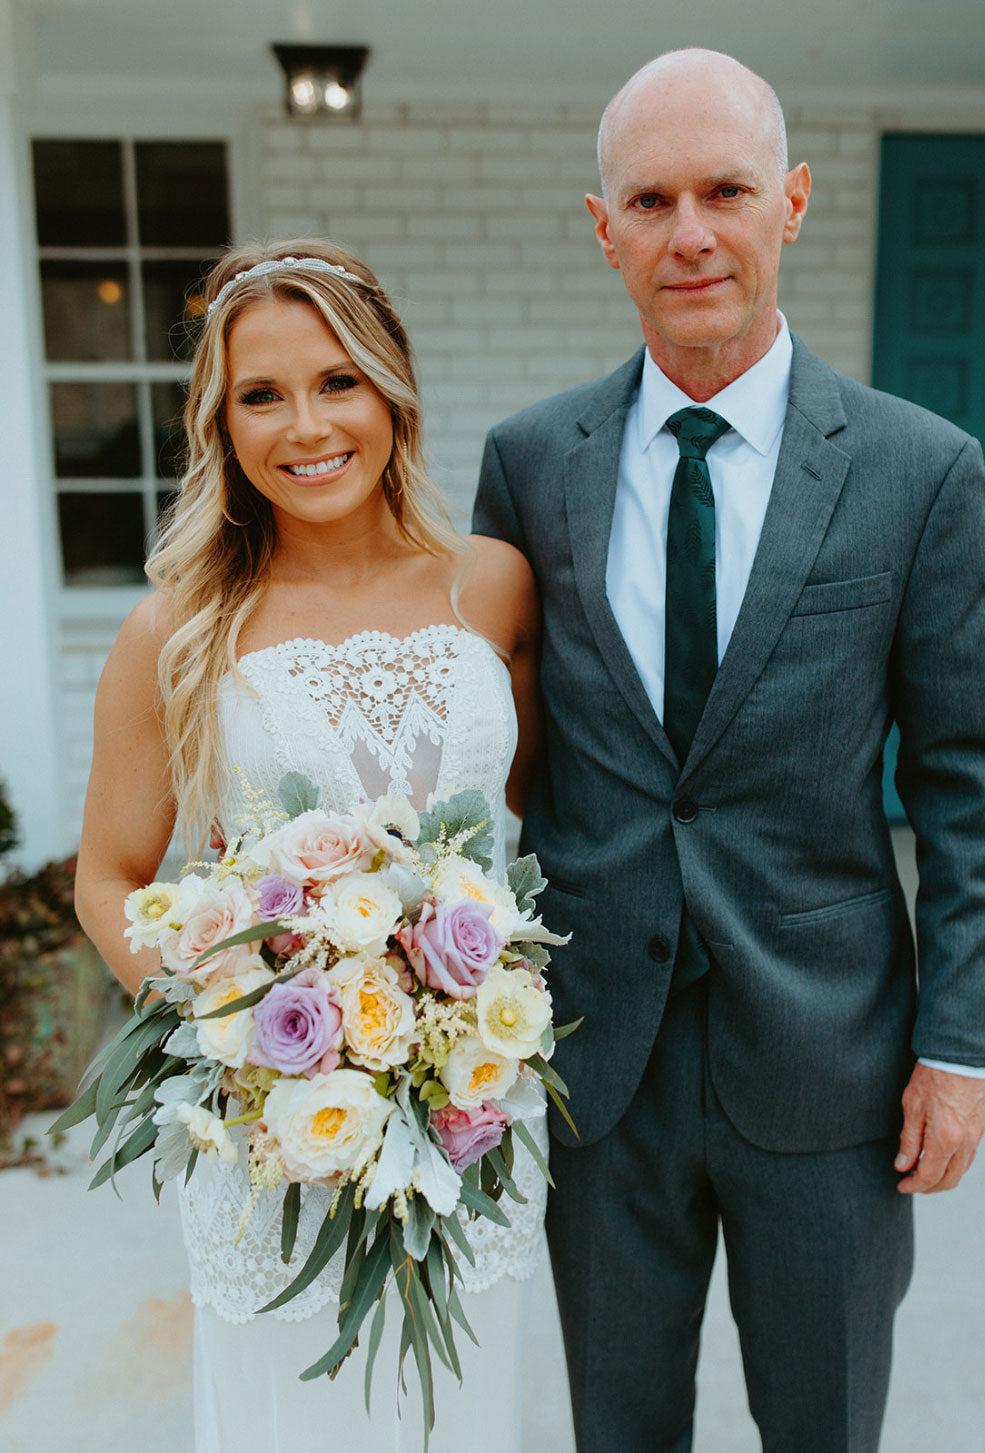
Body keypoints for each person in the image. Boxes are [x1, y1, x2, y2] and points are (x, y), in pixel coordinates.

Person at [473, 49, 985, 1453]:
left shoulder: (918, 469)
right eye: (650, 200)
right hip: (601, 1069)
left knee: (825, 1426)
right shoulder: (531, 462)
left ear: (791, 204)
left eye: (724, 190)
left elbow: (970, 779)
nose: (691, 233)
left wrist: (959, 1048)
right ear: (605, 230)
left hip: (831, 1064)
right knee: (621, 1426)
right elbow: (498, 752)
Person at [74, 239, 546, 1450]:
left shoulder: (491, 587)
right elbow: (110, 877)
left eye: (337, 381)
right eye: (260, 395)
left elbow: (543, 824)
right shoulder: (175, 629)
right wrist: (243, 1052)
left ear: (392, 389)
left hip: (466, 1115)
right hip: (273, 1135)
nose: (306, 425)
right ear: (220, 423)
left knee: (460, 1412)